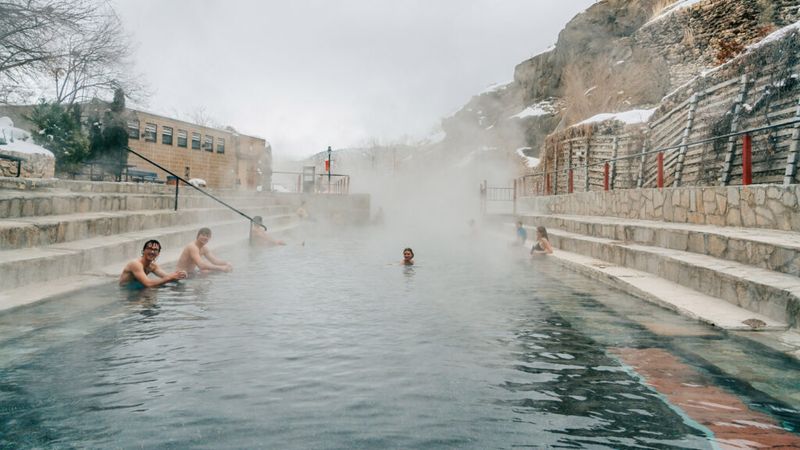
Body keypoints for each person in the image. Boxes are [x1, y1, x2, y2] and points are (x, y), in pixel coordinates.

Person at [119, 240, 187, 288]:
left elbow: (167, 276)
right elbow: (148, 284)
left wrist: (180, 275)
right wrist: (169, 277)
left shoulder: (152, 266)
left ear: (158, 254)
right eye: (149, 249)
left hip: (138, 288)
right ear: (143, 251)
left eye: (155, 250)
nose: (152, 252)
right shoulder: (135, 264)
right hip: (125, 291)